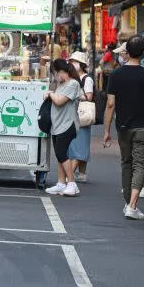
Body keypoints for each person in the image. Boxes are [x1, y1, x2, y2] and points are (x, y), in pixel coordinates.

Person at [103, 35, 144, 220]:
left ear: (126, 52)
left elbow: (110, 104)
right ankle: (132, 206)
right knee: (139, 165)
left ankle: (128, 203)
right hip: (142, 127)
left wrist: (106, 131)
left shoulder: (116, 75)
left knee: (126, 163)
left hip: (122, 127)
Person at [45, 59, 83, 197]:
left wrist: (50, 93)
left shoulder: (73, 84)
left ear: (60, 71)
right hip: (58, 124)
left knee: (61, 153)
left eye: (54, 73)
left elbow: (60, 101)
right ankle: (61, 184)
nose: (54, 76)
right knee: (60, 155)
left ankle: (71, 183)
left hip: (68, 124)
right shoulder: (61, 84)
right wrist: (51, 93)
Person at [68, 51, 93, 183]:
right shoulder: (73, 77)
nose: (72, 64)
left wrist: (75, 93)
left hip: (82, 115)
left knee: (80, 144)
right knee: (77, 144)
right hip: (74, 113)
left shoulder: (86, 79)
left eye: (74, 62)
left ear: (81, 64)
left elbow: (89, 97)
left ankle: (69, 175)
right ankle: (82, 174)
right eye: (71, 62)